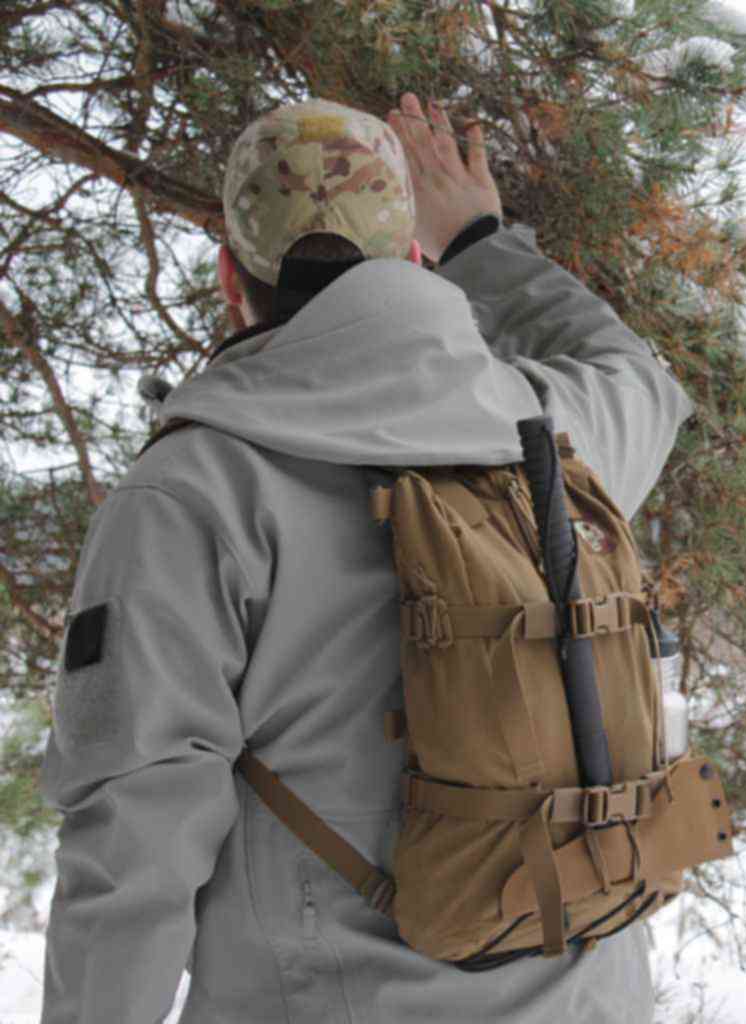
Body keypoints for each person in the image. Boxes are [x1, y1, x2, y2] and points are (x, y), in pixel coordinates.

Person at [41, 92, 690, 1022]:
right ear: (414, 259)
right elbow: (639, 378)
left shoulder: (193, 492)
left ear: (229, 276)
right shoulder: (550, 432)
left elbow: (134, 838)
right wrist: (480, 238)